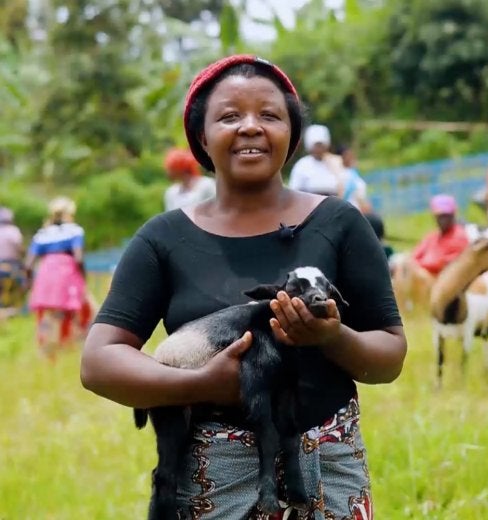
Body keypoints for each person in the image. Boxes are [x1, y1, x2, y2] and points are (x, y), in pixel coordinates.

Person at [80, 54, 406, 520]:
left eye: (269, 115)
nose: (250, 127)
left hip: (329, 475)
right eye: (230, 116)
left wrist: (333, 337)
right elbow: (99, 362)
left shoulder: (339, 223)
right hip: (214, 484)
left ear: (291, 133)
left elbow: (390, 356)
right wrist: (200, 383)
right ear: (201, 135)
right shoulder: (163, 239)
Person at [25, 196, 92, 359]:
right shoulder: (74, 230)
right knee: (68, 311)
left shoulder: (42, 234)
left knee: (45, 311)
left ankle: (44, 347)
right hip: (67, 273)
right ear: (70, 213)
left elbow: (28, 264)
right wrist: (83, 277)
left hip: (45, 273)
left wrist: (30, 282)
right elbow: (78, 258)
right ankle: (65, 345)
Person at [391, 194, 469, 312]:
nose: (441, 220)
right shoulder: (432, 237)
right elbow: (415, 255)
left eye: (445, 216)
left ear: (452, 216)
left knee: (411, 269)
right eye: (439, 216)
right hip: (421, 273)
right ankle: (401, 309)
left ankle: (416, 308)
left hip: (440, 280)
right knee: (401, 265)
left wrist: (420, 265)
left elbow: (450, 263)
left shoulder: (460, 236)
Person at [288, 124, 345, 196]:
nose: (319, 149)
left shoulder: (335, 162)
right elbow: (294, 190)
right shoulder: (302, 165)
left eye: (321, 145)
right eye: (316, 145)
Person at [0, 206, 26, 318]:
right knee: (27, 277)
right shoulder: (13, 231)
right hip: (11, 266)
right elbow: (21, 249)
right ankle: (19, 306)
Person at [337, 144, 372, 213]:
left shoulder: (354, 173)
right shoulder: (342, 174)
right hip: (350, 210)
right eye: (348, 156)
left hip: (360, 210)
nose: (352, 158)